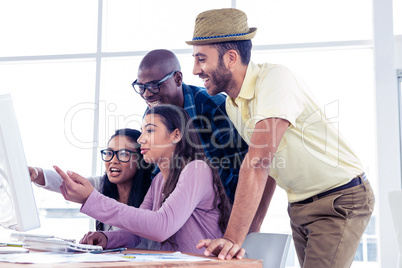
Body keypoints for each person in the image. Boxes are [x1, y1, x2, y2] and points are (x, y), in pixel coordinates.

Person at [186, 8, 375, 267]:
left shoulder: (275, 80)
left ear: (230, 58)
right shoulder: (233, 104)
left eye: (201, 59)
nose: (195, 69)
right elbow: (270, 167)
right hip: (299, 205)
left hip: (338, 199)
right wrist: (252, 228)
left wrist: (232, 237)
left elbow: (257, 163)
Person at [52, 104, 232, 254]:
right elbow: (137, 233)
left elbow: (161, 227)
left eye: (150, 131)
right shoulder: (159, 181)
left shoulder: (196, 169)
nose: (141, 139)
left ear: (176, 135)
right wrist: (107, 238)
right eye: (141, 131)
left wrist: (91, 199)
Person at [131, 49, 249, 204]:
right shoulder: (152, 114)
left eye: (154, 85)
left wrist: (229, 220)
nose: (146, 94)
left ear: (178, 79)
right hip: (176, 209)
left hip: (218, 211)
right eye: (141, 87)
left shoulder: (214, 107)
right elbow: (158, 173)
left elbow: (242, 169)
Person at [30, 128, 153, 232]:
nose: (113, 160)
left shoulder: (153, 194)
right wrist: (37, 173)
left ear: (141, 160)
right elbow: (65, 182)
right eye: (109, 153)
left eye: (123, 154)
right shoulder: (101, 185)